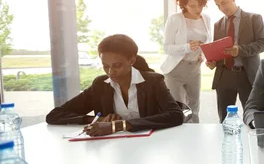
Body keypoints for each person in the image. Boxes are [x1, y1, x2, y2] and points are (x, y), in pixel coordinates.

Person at [46, 34, 184, 135]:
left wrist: (119, 125)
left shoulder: (153, 82)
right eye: (105, 66)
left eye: (117, 65)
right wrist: (97, 119)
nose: (111, 72)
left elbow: (175, 115)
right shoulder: (100, 85)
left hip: (153, 144)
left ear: (131, 60)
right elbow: (55, 115)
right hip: (111, 147)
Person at [206, 0, 264, 122]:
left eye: (224, 3)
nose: (222, 8)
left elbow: (262, 44)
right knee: (224, 120)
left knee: (253, 118)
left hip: (247, 74)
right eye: (218, 5)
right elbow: (219, 52)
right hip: (224, 76)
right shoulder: (218, 25)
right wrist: (213, 62)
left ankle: (252, 143)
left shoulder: (254, 19)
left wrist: (240, 50)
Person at [160, 0, 212, 123]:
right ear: (183, 5)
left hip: (194, 69)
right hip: (176, 69)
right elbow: (166, 47)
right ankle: (179, 139)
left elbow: (208, 42)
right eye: (192, 6)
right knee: (179, 108)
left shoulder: (206, 19)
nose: (198, 9)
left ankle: (195, 137)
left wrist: (204, 55)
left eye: (200, 5)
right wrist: (187, 47)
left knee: (194, 107)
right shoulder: (175, 19)